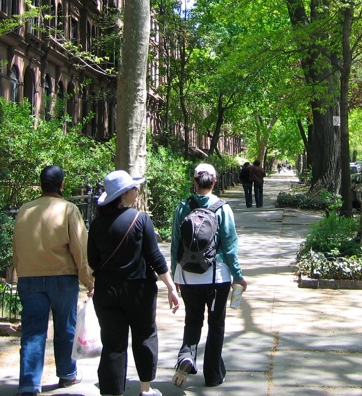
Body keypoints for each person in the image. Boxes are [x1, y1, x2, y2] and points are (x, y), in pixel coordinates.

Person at [87, 170, 180, 396]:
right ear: (123, 195)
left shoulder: (97, 224)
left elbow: (92, 260)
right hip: (139, 291)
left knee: (113, 343)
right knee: (145, 337)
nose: (137, 191)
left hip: (107, 292)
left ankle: (112, 392)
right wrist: (170, 286)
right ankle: (146, 390)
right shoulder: (141, 220)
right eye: (134, 188)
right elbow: (155, 257)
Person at [13, 165, 94, 396]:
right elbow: (80, 247)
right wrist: (89, 280)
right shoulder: (68, 209)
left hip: (29, 278)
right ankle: (67, 374)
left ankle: (29, 384)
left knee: (32, 331)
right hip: (62, 277)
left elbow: (16, 247)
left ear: (41, 184)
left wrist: (20, 271)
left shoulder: (24, 210)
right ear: (62, 185)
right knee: (65, 327)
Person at [170, 163, 247, 388]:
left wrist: (175, 276)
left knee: (192, 321)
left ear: (194, 182)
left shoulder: (183, 207)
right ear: (214, 182)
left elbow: (176, 244)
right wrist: (238, 276)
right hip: (217, 278)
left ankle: (186, 355)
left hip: (187, 277)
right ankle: (213, 374)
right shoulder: (223, 209)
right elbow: (231, 247)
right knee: (216, 324)